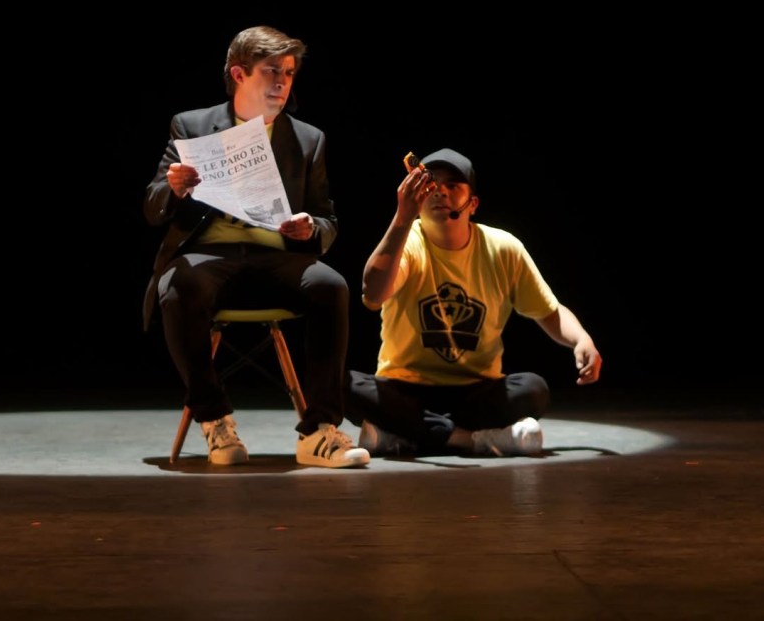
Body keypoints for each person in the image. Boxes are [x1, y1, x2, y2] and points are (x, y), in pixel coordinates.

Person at [142, 25, 369, 468]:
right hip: (210, 258)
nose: (282, 82)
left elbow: (327, 219)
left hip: (275, 258)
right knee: (180, 284)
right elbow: (153, 206)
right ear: (239, 74)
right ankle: (215, 418)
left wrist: (311, 228)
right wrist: (174, 188)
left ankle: (319, 431)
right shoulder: (191, 126)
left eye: (289, 72)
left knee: (331, 286)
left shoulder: (307, 139)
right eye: (271, 71)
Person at [346, 148, 603, 457]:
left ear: (473, 204)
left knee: (534, 390)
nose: (440, 191)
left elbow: (549, 311)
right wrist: (402, 217)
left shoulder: (503, 248)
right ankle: (468, 440)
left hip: (474, 392)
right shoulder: (406, 242)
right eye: (431, 183)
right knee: (343, 385)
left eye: (453, 185)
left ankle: (404, 435)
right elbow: (373, 294)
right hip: (405, 388)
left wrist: (581, 339)